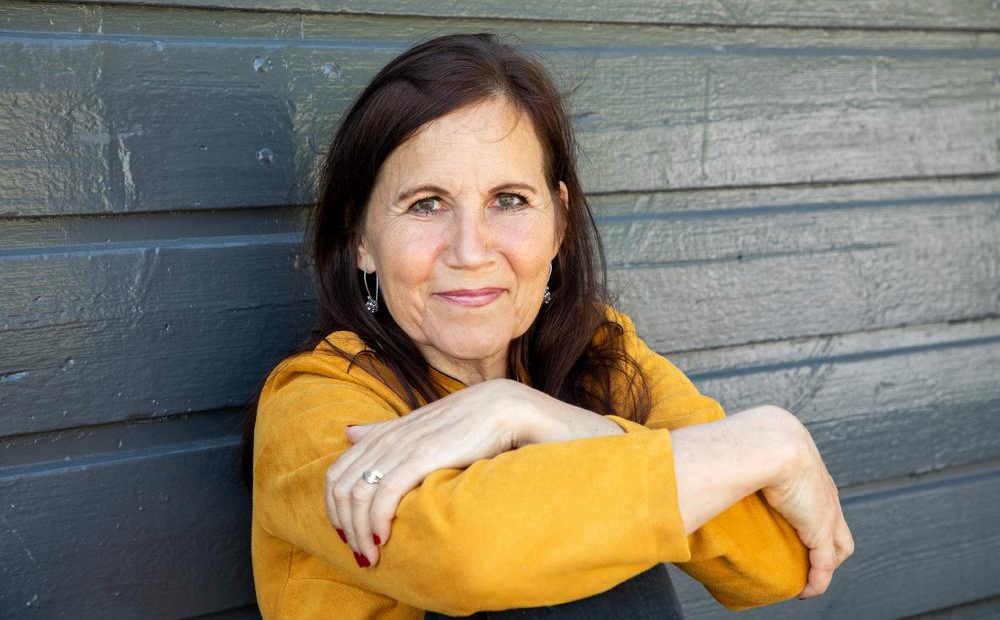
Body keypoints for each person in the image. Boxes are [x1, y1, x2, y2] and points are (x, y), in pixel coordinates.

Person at [243, 32, 853, 619]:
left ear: (559, 225)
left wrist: (539, 416)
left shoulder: (599, 352)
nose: (470, 250)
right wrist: (767, 442)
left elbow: (782, 561)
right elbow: (473, 559)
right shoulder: (315, 405)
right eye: (426, 204)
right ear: (360, 239)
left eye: (508, 200)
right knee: (573, 541)